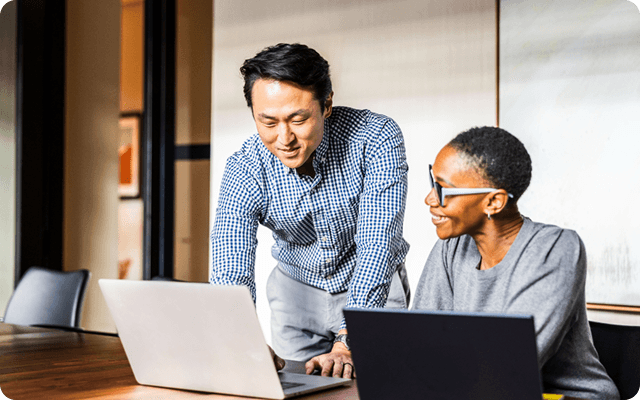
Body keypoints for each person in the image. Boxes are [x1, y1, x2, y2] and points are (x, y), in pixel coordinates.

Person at [210, 43, 410, 379]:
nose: (284, 137)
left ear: (327, 103)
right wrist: (239, 338)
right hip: (295, 293)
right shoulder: (245, 167)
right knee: (294, 391)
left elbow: (378, 241)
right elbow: (230, 261)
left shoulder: (374, 138)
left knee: (382, 388)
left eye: (298, 119)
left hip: (371, 286)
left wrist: (351, 338)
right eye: (268, 122)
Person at [413, 126, 619, 399]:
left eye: (443, 189)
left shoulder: (555, 248)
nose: (429, 199)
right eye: (432, 182)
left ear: (494, 202)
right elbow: (419, 343)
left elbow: (509, 364)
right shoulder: (451, 246)